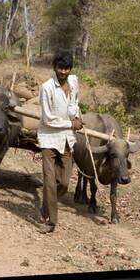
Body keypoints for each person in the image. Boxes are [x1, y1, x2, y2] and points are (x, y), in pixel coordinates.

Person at [36, 49, 83, 234]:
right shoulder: (46, 87)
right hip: (49, 139)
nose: (63, 72)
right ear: (54, 67)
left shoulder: (73, 81)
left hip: (66, 140)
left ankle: (47, 203)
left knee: (63, 183)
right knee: (49, 181)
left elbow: (74, 103)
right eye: (60, 68)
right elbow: (48, 119)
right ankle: (50, 222)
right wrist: (72, 123)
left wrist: (76, 116)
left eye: (67, 68)